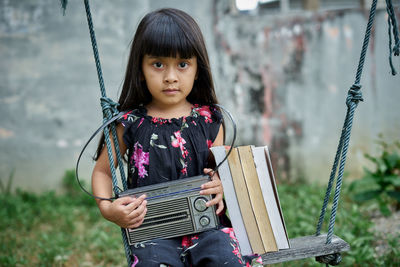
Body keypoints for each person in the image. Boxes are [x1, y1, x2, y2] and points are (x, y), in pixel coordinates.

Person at [91, 8, 257, 267]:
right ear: (141, 68)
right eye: (158, 64)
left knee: (227, 258)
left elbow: (223, 171)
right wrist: (109, 209)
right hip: (153, 231)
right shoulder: (130, 122)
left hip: (208, 227)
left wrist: (222, 185)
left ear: (197, 69)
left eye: (182, 64)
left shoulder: (211, 119)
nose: (170, 77)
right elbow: (102, 171)